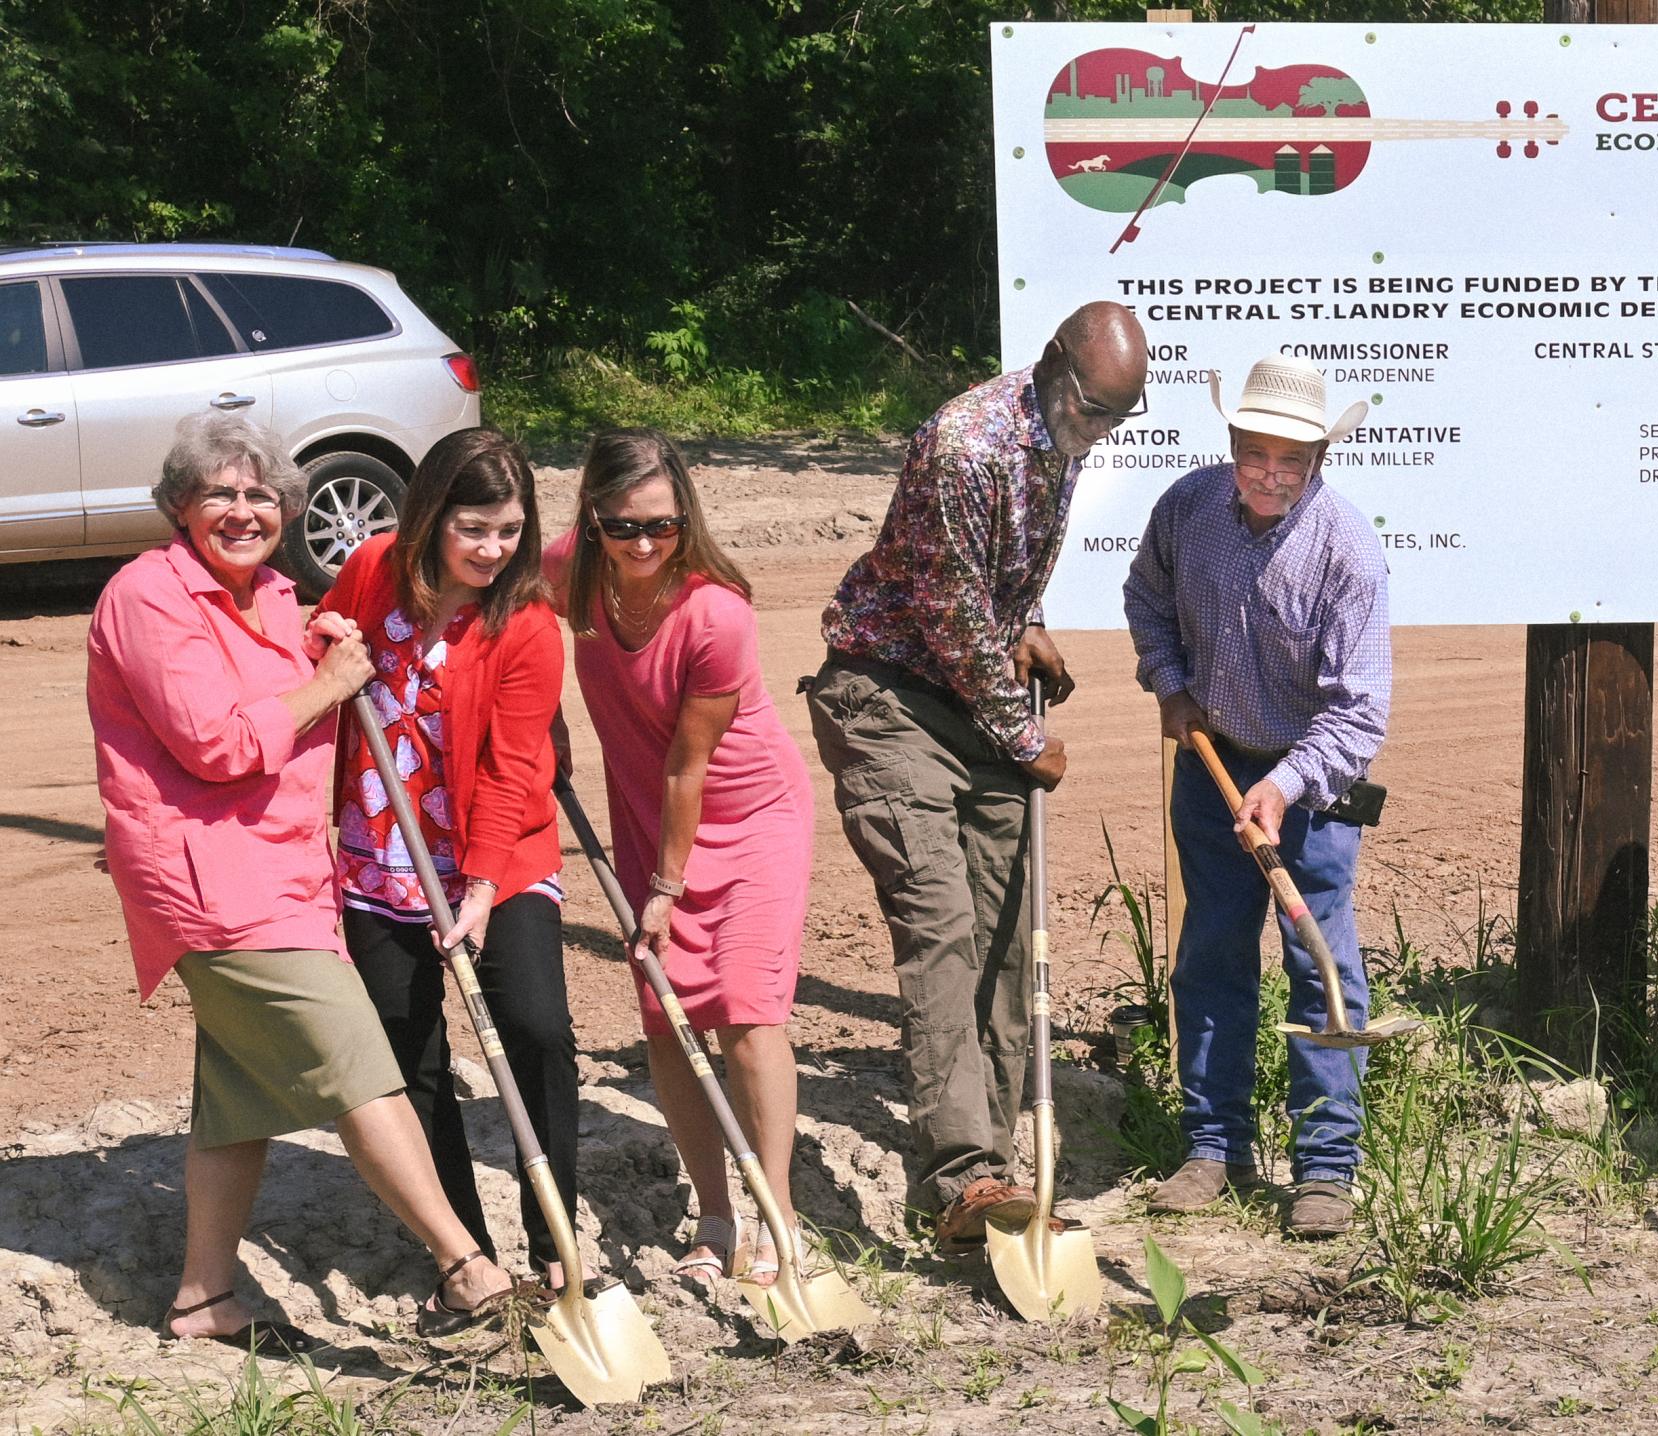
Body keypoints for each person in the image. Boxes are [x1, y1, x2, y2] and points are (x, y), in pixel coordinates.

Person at [88, 413, 519, 1350]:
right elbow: (218, 742)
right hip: (209, 884)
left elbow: (308, 677)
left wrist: (319, 642)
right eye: (220, 495)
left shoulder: (276, 596)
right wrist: (327, 680)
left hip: (288, 875)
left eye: (262, 496)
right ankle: (465, 1268)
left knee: (237, 1092)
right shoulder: (148, 596)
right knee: (357, 1062)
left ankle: (205, 1297)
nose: (244, 513)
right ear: (178, 506)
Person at [809, 301, 1149, 1251]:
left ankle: (995, 1163)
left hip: (971, 692)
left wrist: (1028, 620)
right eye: (1091, 412)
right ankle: (957, 1173)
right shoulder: (964, 447)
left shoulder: (1062, 435)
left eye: (1120, 419)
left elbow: (1003, 574)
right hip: (891, 697)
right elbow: (952, 610)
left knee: (1007, 926)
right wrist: (1020, 730)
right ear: (1052, 369)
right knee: (943, 924)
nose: (1098, 433)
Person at [1125, 353, 1393, 1240]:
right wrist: (1170, 683)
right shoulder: (1188, 510)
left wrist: (1281, 786)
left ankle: (1325, 1166)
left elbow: (1358, 713)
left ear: (1322, 458)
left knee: (1322, 962)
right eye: (1257, 455)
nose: (1272, 475)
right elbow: (1147, 596)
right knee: (1211, 952)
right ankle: (1215, 1147)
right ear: (1232, 442)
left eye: (1294, 461)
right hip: (1212, 768)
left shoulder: (1345, 549)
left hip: (1310, 786)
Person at [550, 429, 817, 1287]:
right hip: (648, 820)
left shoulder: (716, 613)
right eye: (622, 527)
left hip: (748, 819)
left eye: (660, 528)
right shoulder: (568, 571)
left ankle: (773, 1211)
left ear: (684, 519)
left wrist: (665, 890)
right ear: (592, 521)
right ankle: (715, 1212)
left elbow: (686, 764)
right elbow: (486, 597)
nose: (641, 545)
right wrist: (536, 713)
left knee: (743, 1007)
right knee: (667, 1018)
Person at [319, 428, 576, 1287]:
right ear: (431, 517)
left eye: (508, 530)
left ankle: (556, 1247)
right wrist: (322, 634)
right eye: (473, 528)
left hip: (496, 857)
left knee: (536, 1031)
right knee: (411, 1049)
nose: (492, 549)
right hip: (380, 857)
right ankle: (470, 1258)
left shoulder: (529, 622)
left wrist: (483, 886)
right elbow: (327, 639)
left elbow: (511, 769)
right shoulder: (375, 566)